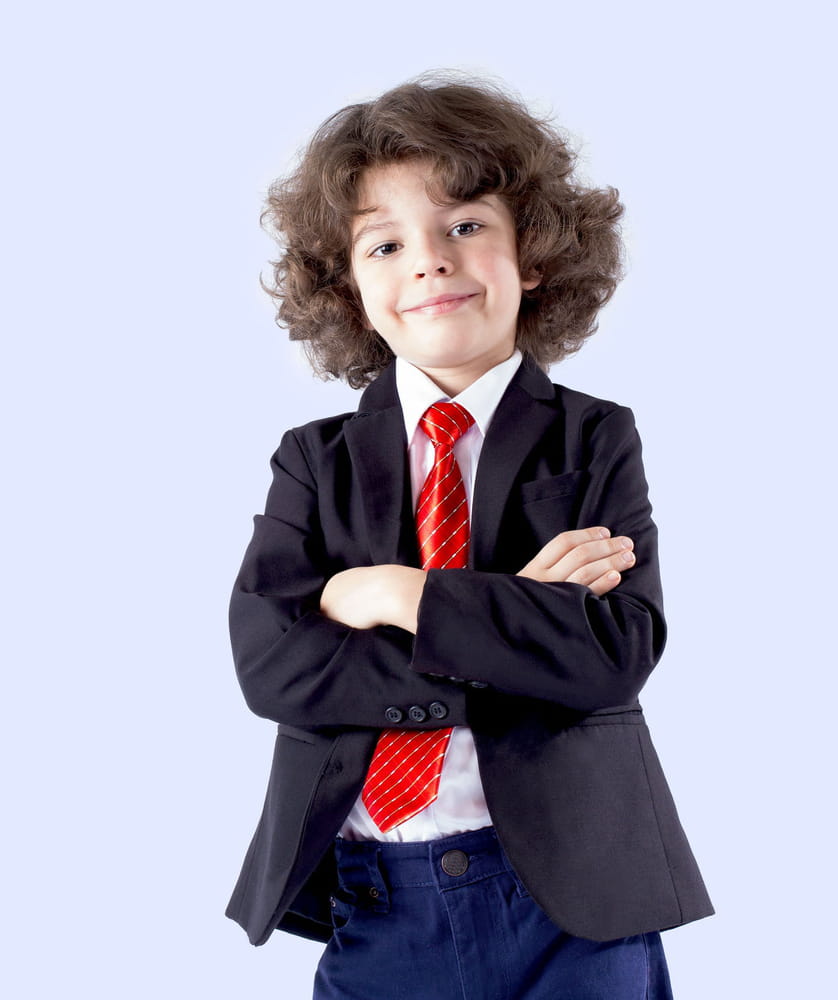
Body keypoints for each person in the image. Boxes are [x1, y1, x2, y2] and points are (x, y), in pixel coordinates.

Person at [225, 73, 713, 999]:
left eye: (465, 225)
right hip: (377, 907)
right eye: (386, 243)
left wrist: (396, 594)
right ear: (349, 288)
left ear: (534, 256)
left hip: (573, 904)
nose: (429, 262)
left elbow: (613, 655)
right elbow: (274, 668)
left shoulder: (593, 438)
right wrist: (518, 624)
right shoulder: (313, 462)